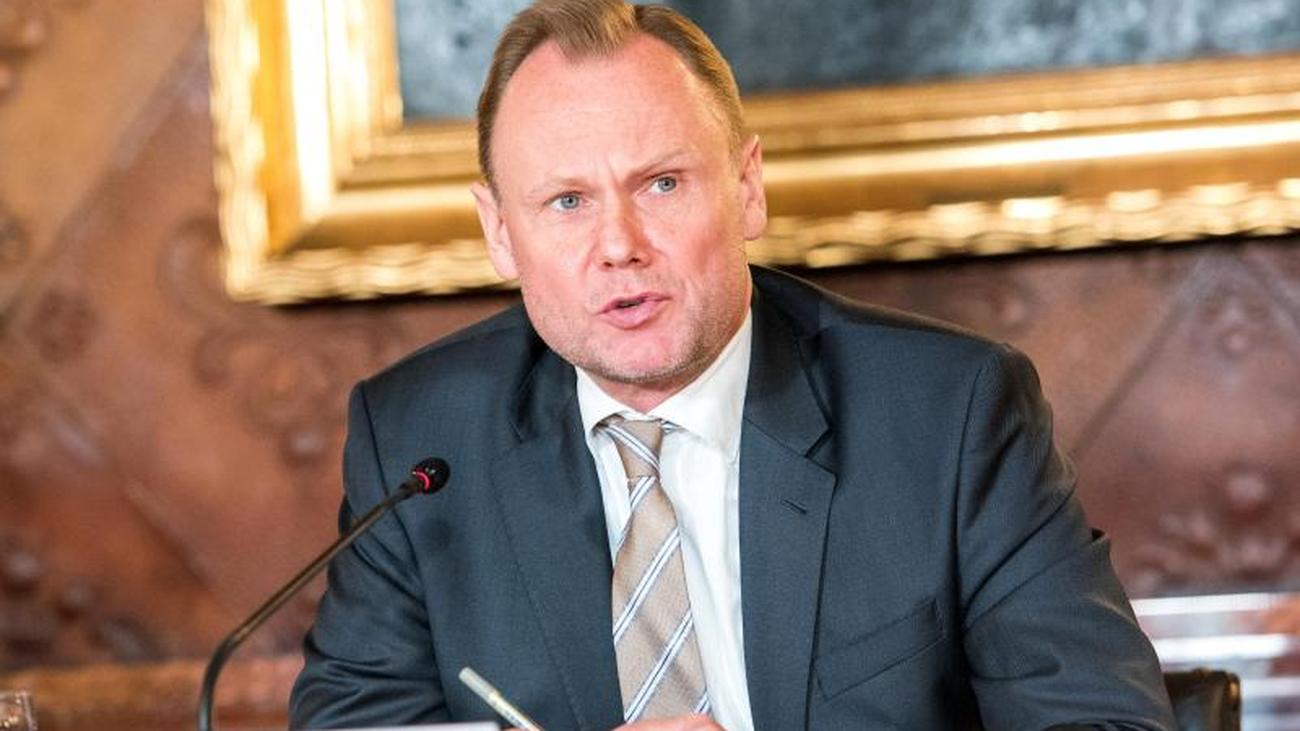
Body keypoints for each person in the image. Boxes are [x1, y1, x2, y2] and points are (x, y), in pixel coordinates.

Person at [289, 1, 1176, 729]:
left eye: (661, 184)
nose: (619, 246)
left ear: (746, 187)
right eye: (566, 201)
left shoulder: (949, 416)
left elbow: (1104, 722)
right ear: (497, 232)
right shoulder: (421, 445)